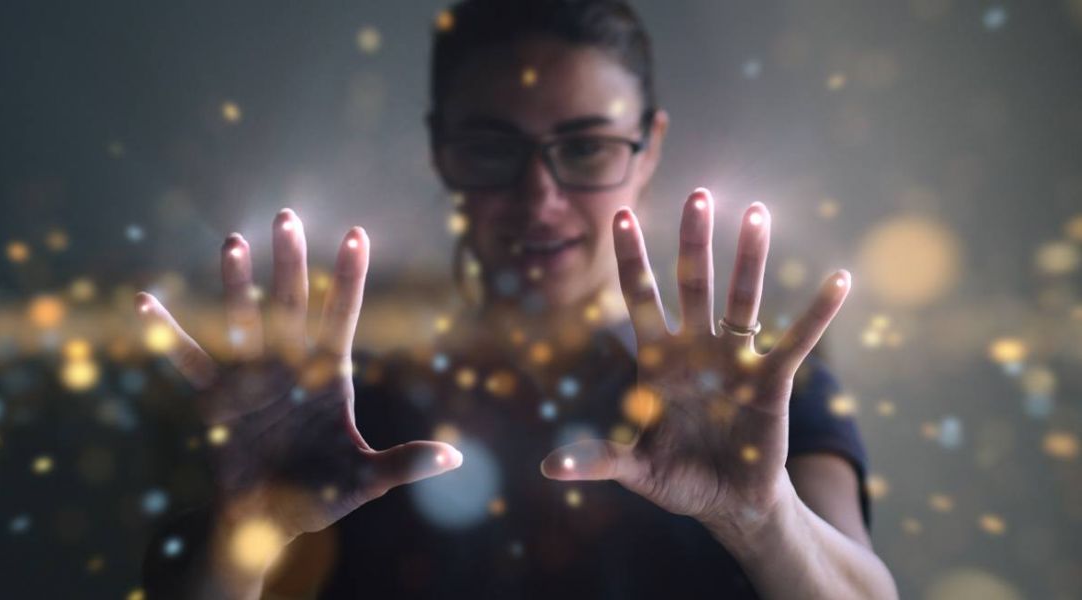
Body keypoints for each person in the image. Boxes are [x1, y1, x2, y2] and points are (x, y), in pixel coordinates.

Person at [139, 0, 898, 597]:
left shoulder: (756, 391)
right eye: (494, 146)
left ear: (650, 148)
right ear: (442, 152)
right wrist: (247, 531)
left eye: (586, 146)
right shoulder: (325, 404)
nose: (540, 197)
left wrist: (761, 518)